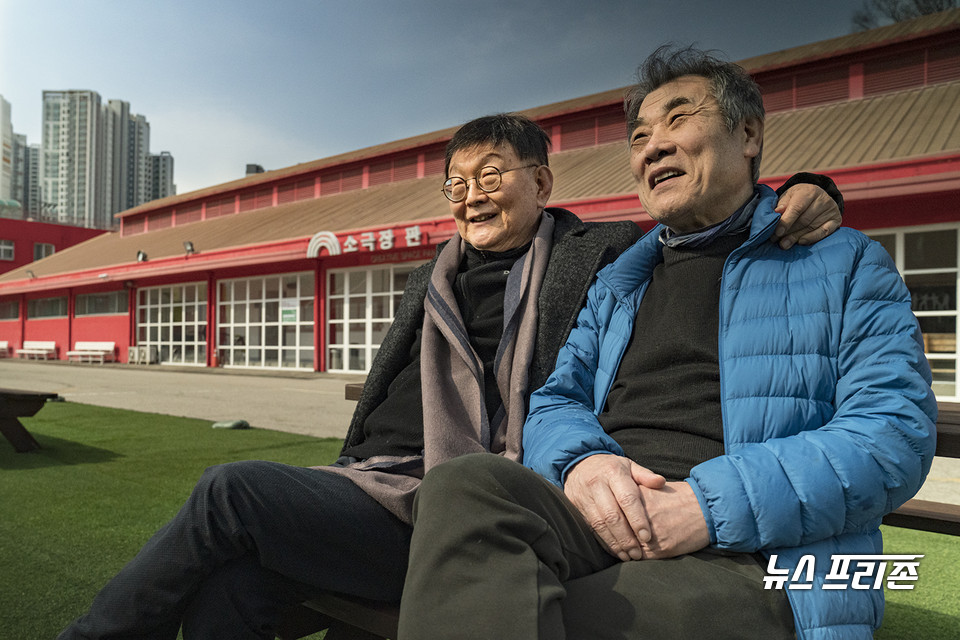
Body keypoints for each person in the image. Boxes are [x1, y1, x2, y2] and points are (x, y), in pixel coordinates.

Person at [59, 113, 842, 640]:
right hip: (374, 486)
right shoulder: (431, 276)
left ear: (542, 183)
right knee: (235, 589)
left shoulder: (598, 253)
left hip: (474, 504)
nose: (473, 195)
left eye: (493, 174)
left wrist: (808, 193)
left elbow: (701, 221)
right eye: (458, 184)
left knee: (229, 490)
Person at [397, 48, 937, 640]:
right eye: (639, 136)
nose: (652, 146)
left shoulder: (846, 261)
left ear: (749, 133)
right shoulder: (618, 281)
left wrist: (705, 506)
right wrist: (583, 461)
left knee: (546, 615)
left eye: (679, 119)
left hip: (761, 554)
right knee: (464, 483)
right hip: (603, 517)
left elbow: (892, 435)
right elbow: (555, 400)